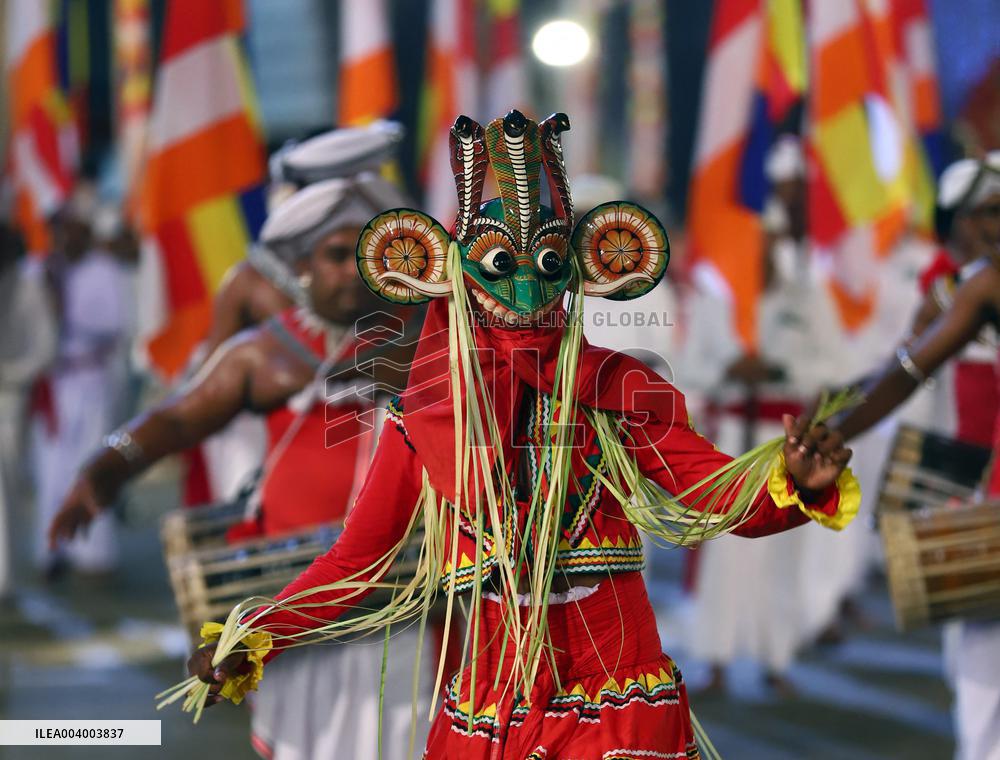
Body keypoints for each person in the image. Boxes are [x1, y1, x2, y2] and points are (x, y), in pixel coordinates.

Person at [185, 111, 859, 759]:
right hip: (490, 714)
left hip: (616, 699)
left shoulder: (617, 393)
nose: (525, 291)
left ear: (581, 271)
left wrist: (796, 481)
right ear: (452, 277)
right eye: (502, 267)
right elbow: (357, 562)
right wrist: (257, 632)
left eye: (547, 264)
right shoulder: (425, 416)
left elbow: (716, 495)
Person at [50, 175, 430, 759]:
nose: (353, 270)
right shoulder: (266, 353)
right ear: (301, 264)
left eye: (368, 254)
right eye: (336, 256)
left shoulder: (439, 339)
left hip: (411, 601)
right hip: (298, 596)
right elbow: (177, 419)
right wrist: (105, 467)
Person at [832, 152, 1000, 760]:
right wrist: (839, 422)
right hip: (957, 474)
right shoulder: (960, 289)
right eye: (985, 213)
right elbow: (905, 370)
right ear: (953, 222)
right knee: (974, 654)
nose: (994, 226)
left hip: (981, 481)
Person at [678, 135, 848, 694]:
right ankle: (716, 661)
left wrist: (776, 372)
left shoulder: (808, 297)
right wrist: (732, 367)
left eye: (771, 244)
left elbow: (834, 366)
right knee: (723, 549)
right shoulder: (714, 300)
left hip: (788, 439)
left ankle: (778, 660)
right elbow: (689, 370)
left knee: (782, 549)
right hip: (729, 437)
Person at [194, 121, 407, 505]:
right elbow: (212, 386)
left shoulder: (399, 270)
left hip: (389, 453)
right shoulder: (250, 281)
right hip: (278, 464)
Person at [32, 184, 135, 578]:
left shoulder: (102, 270)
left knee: (91, 463)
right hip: (53, 384)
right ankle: (54, 548)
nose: (63, 237)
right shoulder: (42, 270)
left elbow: (115, 325)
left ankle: (94, 555)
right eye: (57, 229)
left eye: (70, 228)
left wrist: (63, 310)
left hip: (91, 379)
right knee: (50, 467)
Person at [0, 223, 58, 600]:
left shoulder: (29, 285)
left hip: (10, 398)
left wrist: (10, 375)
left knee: (6, 485)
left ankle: (3, 576)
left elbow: (45, 348)